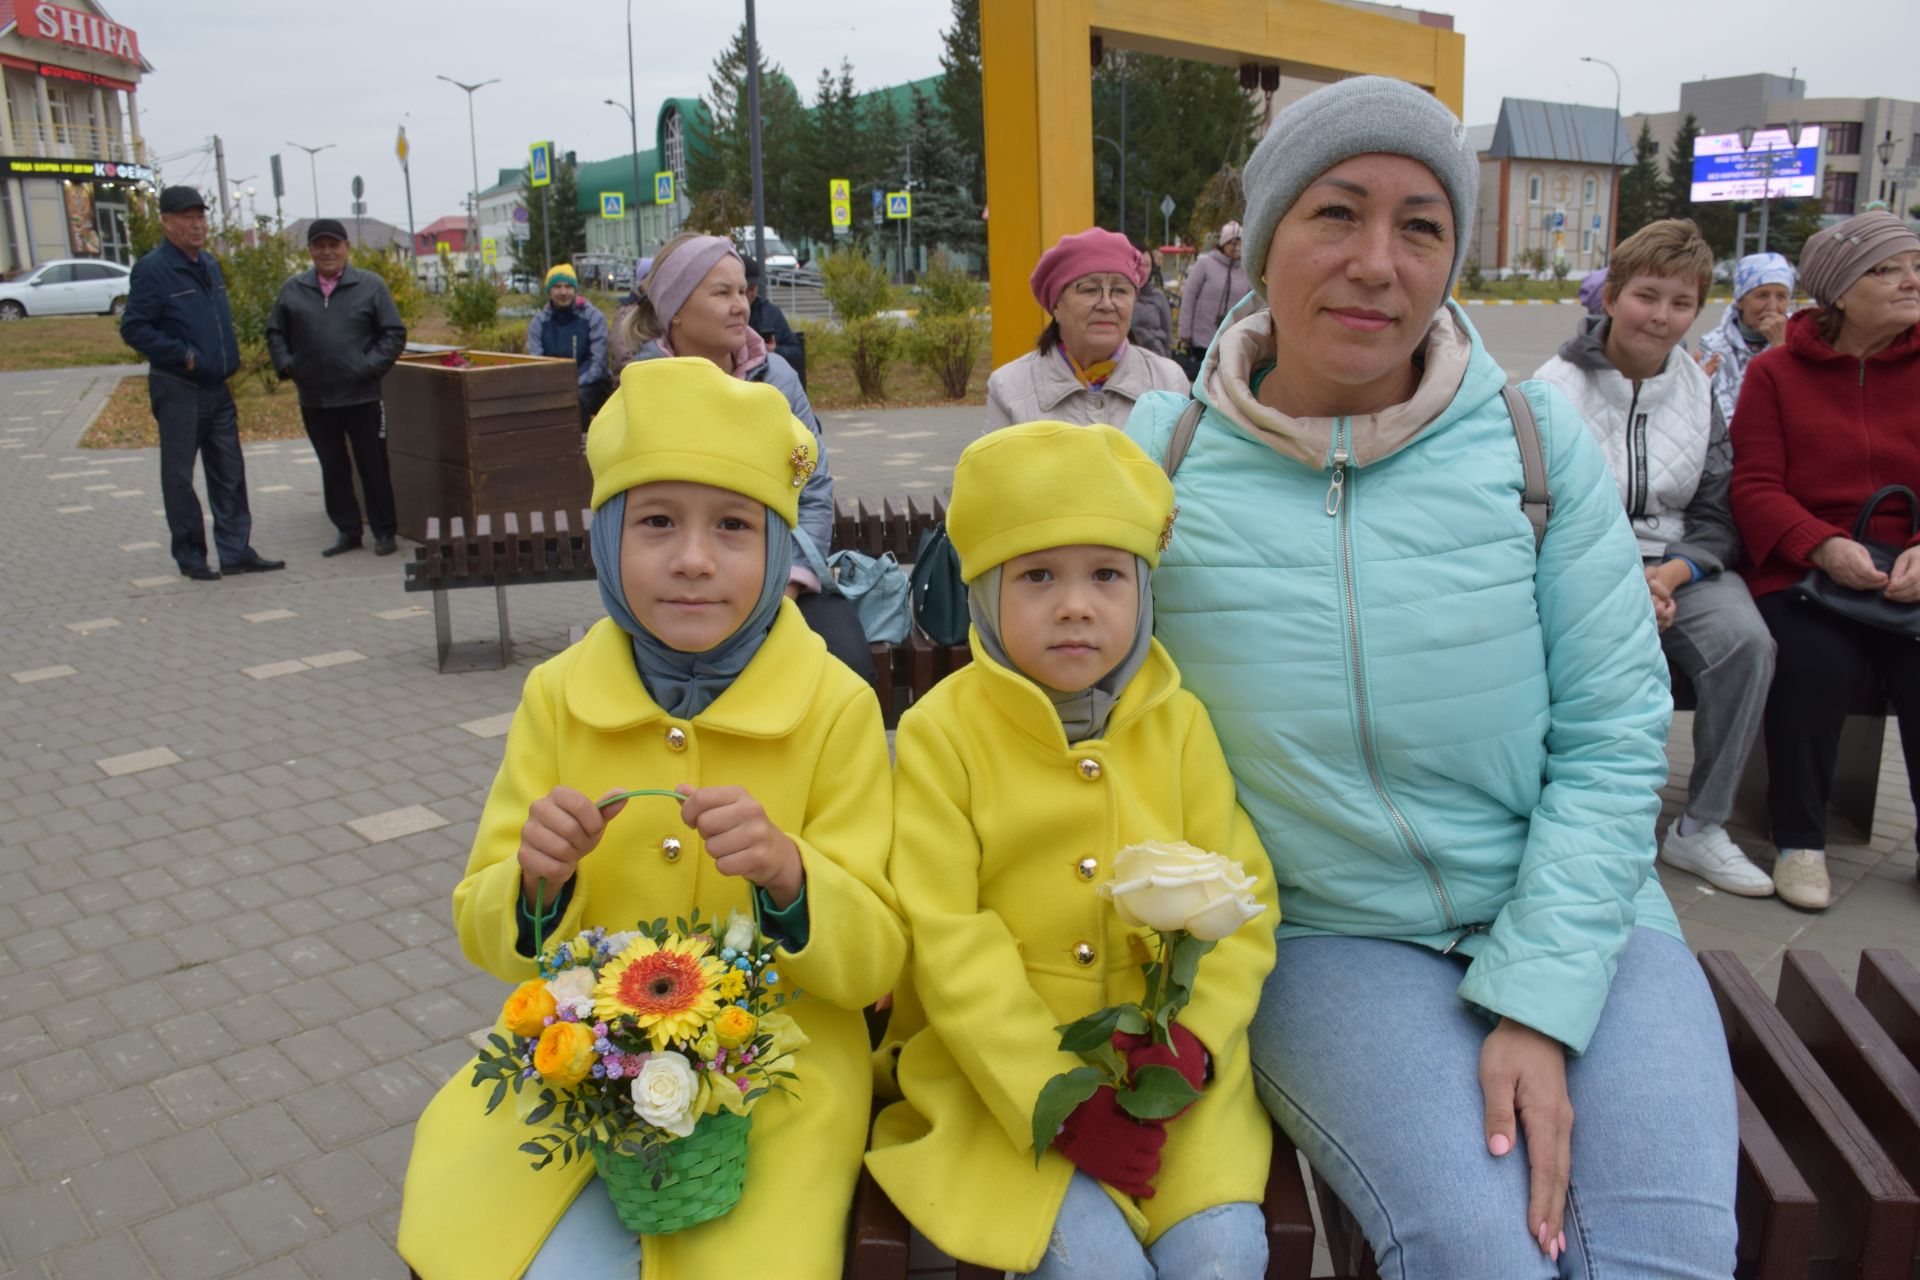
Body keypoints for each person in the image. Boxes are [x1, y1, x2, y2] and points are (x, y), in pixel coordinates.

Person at [1125, 75, 1736, 1274]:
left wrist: (1539, 999)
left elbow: (1617, 730)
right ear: (1261, 240)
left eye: (1421, 227)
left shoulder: (1530, 439)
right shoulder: (1161, 463)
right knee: (1482, 1251)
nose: (1377, 262)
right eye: (1336, 214)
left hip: (1580, 908)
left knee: (1662, 1254)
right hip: (1327, 933)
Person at [397, 357, 905, 1279]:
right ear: (603, 539)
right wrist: (536, 883)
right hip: (577, 1067)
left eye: (735, 527)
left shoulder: (836, 705)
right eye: (657, 522)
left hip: (772, 1084)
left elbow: (877, 954)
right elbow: (484, 927)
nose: (695, 558)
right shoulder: (558, 695)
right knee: (502, 1254)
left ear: (779, 544)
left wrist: (795, 879)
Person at [868, 421, 1279, 1279]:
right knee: (1095, 1267)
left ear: (1143, 589)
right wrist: (1053, 1099)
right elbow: (949, 938)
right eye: (1037, 577)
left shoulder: (1180, 723)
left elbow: (1243, 905)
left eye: (1106, 575)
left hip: (1168, 1079)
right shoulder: (942, 733)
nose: (1075, 605)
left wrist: (1190, 1040)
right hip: (1001, 1084)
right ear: (983, 592)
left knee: (1224, 1256)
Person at [1533, 219, 1777, 897]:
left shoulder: (1699, 392)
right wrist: (1619, 579)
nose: (1661, 316)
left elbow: (1718, 513)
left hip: (1675, 565)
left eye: (1681, 303)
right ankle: (1576, 813)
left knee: (1745, 643)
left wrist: (1667, 576)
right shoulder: (1552, 390)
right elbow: (1535, 508)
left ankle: (1700, 827)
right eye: (1647, 295)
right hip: (1580, 562)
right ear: (1610, 297)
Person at [1729, 210, 1920, 910]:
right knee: (1813, 665)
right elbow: (1754, 486)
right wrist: (1823, 544)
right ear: (1838, 291)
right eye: (1887, 269)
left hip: (1911, 565)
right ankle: (1799, 842)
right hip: (1806, 569)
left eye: (1915, 265)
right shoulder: (1776, 372)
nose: (1910, 280)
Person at [619, 233, 872, 681]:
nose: (741, 305)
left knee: (846, 664)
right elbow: (627, 513)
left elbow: (810, 489)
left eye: (742, 292)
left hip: (781, 575)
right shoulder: (643, 389)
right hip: (686, 581)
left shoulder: (776, 379)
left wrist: (789, 581)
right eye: (722, 292)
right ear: (674, 309)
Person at [119, 185, 283, 581]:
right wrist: (184, 354)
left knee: (229, 472)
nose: (197, 225)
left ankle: (236, 551)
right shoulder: (154, 268)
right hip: (179, 386)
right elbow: (134, 327)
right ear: (167, 222)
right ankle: (191, 555)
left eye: (201, 216)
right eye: (187, 217)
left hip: (218, 388)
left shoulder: (209, 263)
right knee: (178, 476)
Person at [266, 218, 409, 557]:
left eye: (334, 244)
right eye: (320, 245)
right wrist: (288, 365)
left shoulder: (371, 286)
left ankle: (385, 531)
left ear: (346, 247)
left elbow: (393, 333)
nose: (327, 251)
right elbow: (275, 333)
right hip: (316, 398)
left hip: (362, 396)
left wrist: (369, 366)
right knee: (333, 467)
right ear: (310, 250)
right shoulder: (293, 289)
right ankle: (348, 530)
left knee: (372, 465)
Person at [984, 228, 1188, 431]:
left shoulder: (1169, 381)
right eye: (1089, 289)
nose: (1107, 304)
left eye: (1120, 290)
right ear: (1056, 305)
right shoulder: (1009, 388)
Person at [1698, 252, 1796, 426]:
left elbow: (1800, 411)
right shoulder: (1714, 345)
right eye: (1762, 295)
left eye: (1781, 296)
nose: (1772, 307)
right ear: (1741, 301)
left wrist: (1780, 350)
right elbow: (1724, 420)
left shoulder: (1800, 343)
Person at [527, 264, 611, 431]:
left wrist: (574, 383)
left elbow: (598, 363)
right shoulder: (539, 323)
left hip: (591, 385)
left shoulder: (593, 317)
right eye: (557, 287)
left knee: (577, 399)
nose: (563, 292)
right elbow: (536, 361)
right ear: (550, 291)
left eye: (568, 286)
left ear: (575, 289)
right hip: (553, 384)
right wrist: (554, 385)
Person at [1175, 221, 1248, 355]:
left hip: (1232, 341)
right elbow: (1189, 297)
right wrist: (1184, 331)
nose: (1237, 247)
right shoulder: (1205, 263)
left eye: (1240, 243)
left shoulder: (1245, 270)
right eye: (1233, 242)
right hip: (1202, 339)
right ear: (1223, 244)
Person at [743, 255, 803, 371]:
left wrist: (775, 350)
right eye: (745, 289)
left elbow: (796, 352)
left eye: (753, 288)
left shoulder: (770, 312)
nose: (750, 294)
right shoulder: (724, 314)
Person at [608, 256, 651, 380]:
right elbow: (623, 357)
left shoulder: (665, 308)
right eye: (649, 277)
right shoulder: (625, 313)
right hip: (633, 379)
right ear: (640, 282)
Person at [1128, 244, 1174, 358]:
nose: (1142, 270)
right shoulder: (1118, 295)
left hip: (1155, 357)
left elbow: (1168, 335)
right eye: (1138, 264)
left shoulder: (1158, 296)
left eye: (1147, 265)